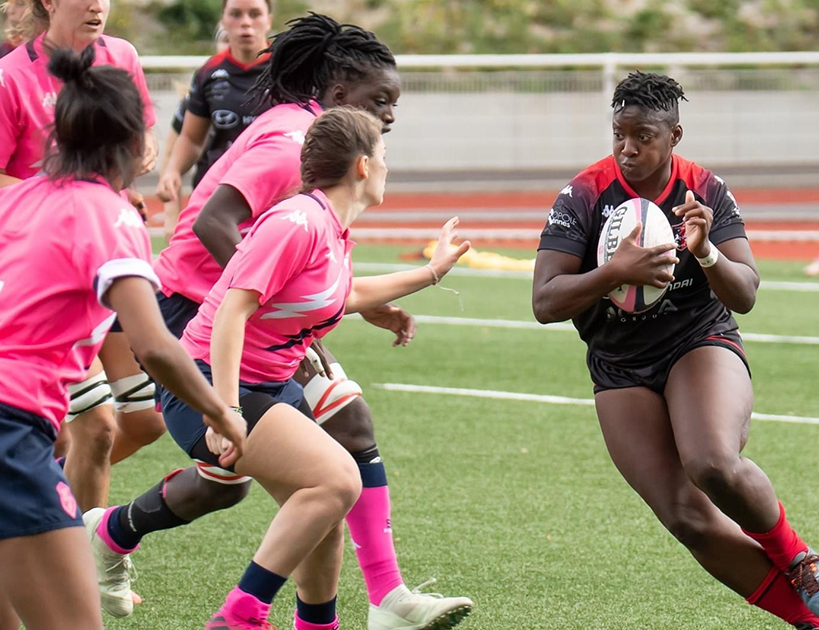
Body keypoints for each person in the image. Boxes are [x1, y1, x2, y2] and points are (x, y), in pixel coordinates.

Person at [89, 14, 475, 628]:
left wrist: (410, 281)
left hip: (245, 324)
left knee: (308, 472)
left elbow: (315, 276)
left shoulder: (324, 205)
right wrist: (258, 321)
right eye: (382, 102)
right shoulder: (292, 152)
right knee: (317, 469)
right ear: (342, 101)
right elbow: (221, 227)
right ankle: (251, 606)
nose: (392, 118)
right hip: (198, 309)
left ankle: (357, 607)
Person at [533, 71, 819, 630]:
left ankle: (797, 556)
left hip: (697, 340)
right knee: (686, 518)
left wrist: (705, 254)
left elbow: (746, 293)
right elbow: (544, 300)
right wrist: (613, 272)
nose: (628, 149)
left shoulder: (705, 189)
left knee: (711, 463)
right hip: (619, 364)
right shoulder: (582, 195)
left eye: (644, 136)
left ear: (674, 136)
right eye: (618, 134)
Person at [151, 106, 466, 629]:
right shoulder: (297, 221)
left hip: (265, 386)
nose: (388, 165)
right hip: (207, 388)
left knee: (324, 516)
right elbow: (232, 310)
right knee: (339, 479)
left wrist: (432, 271)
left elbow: (346, 294)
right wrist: (224, 412)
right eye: (384, 154)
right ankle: (240, 614)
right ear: (363, 166)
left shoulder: (331, 228)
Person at [0, 46, 244, 630]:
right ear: (136, 143)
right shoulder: (112, 217)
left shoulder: (19, 197)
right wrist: (222, 413)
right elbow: (155, 345)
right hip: (11, 429)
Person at [0, 0, 164, 514]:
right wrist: (71, 195)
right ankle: (87, 564)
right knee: (91, 428)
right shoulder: (9, 78)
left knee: (145, 418)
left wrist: (122, 172)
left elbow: (142, 143)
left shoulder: (122, 56)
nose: (98, 5)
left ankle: (44, 514)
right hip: (47, 270)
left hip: (108, 252)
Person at [157, 0, 272, 235]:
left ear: (269, 20)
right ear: (223, 21)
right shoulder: (208, 72)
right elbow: (190, 138)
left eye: (255, 14)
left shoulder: (287, 69)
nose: (246, 23)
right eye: (236, 15)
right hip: (215, 196)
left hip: (270, 195)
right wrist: (173, 171)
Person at [159, 25, 230, 237]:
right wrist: (172, 216)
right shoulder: (199, 96)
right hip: (208, 201)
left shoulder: (271, 89)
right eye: (225, 39)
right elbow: (171, 155)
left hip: (260, 201)